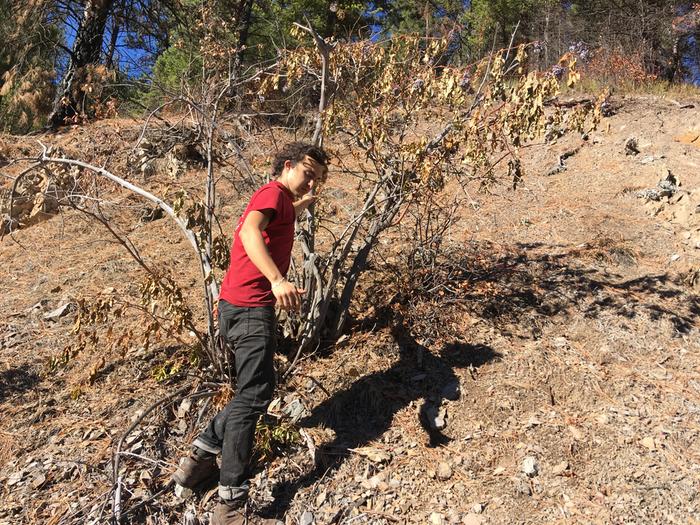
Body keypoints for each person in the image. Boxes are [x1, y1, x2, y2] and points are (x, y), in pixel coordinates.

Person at [173, 142, 329, 525]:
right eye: (308, 174)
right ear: (287, 166)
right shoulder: (271, 192)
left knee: (252, 392)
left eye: (318, 179)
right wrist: (277, 280)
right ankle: (229, 506)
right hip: (249, 308)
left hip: (237, 307)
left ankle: (197, 462)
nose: (312, 183)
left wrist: (308, 199)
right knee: (255, 395)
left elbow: (285, 214)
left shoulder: (282, 202)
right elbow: (248, 232)